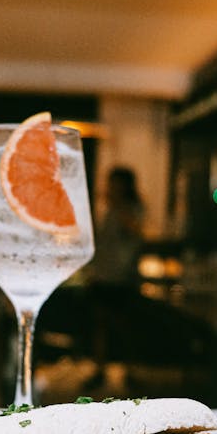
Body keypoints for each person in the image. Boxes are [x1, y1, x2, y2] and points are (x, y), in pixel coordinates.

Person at [87, 166, 145, 389]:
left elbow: (136, 234)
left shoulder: (130, 209)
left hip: (123, 278)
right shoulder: (108, 209)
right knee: (100, 328)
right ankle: (100, 370)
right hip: (103, 276)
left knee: (125, 328)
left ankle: (130, 372)